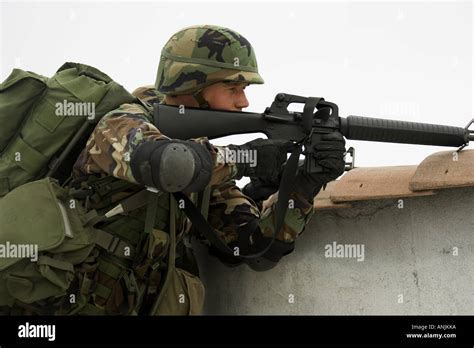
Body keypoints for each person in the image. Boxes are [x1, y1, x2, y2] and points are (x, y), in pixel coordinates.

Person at [70, 24, 346, 315]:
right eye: (233, 89)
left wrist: (304, 183)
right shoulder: (120, 124)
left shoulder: (206, 165)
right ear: (192, 86)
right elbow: (172, 166)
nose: (244, 101)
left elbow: (255, 248)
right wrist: (246, 159)